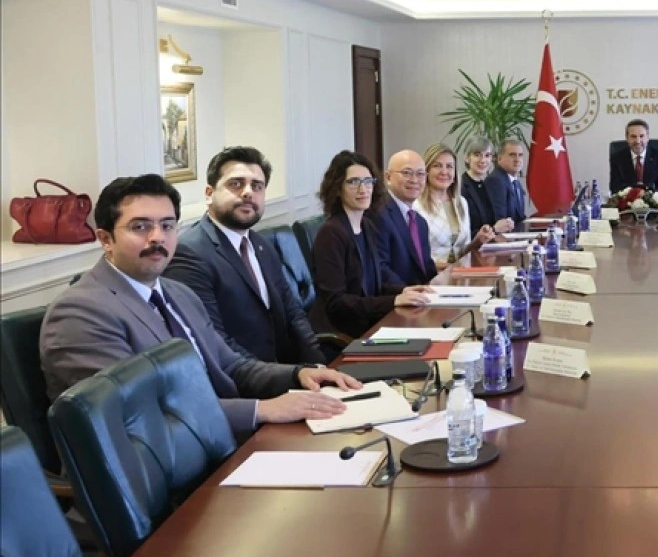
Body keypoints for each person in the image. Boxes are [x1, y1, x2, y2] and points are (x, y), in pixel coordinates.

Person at [40, 174, 358, 439]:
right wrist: (260, 410)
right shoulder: (79, 313)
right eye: (140, 227)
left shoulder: (178, 293)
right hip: (165, 472)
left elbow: (231, 366)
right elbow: (140, 412)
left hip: (220, 441)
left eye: (168, 225)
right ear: (106, 239)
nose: (157, 238)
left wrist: (298, 375)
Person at [165, 147, 327, 365]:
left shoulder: (261, 245)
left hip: (288, 371)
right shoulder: (189, 253)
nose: (248, 193)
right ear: (209, 194)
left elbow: (293, 313)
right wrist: (289, 376)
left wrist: (322, 366)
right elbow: (216, 344)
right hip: (242, 381)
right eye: (236, 184)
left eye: (257, 186)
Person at [310, 150, 432, 339]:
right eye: (353, 182)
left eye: (368, 181)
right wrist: (393, 301)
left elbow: (374, 283)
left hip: (370, 323)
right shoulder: (331, 233)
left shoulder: (366, 225)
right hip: (346, 334)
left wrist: (403, 291)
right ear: (337, 188)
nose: (363, 189)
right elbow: (337, 303)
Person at [416, 144, 497, 267]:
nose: (444, 172)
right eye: (437, 166)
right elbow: (415, 260)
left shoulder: (461, 203)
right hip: (432, 276)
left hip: (459, 274)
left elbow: (462, 252)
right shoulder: (416, 206)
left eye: (449, 166)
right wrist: (450, 268)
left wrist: (478, 240)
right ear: (426, 171)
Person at [376, 148, 439, 287]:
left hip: (423, 294)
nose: (414, 180)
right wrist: (407, 292)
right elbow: (380, 268)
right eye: (406, 173)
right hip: (397, 296)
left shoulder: (420, 222)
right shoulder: (378, 214)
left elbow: (427, 268)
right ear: (388, 177)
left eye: (420, 174)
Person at [459, 138, 511, 236]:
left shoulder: (487, 185)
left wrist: (505, 225)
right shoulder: (461, 187)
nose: (483, 160)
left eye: (487, 155)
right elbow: (463, 232)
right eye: (477, 155)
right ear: (467, 158)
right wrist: (494, 229)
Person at [608, 119, 658, 194]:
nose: (638, 141)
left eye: (641, 136)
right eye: (633, 136)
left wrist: (646, 195)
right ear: (627, 138)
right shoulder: (617, 158)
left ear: (647, 137)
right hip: (628, 200)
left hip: (653, 200)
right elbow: (615, 188)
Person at [483, 139, 529, 226]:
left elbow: (520, 217)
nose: (517, 159)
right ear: (499, 158)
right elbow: (500, 220)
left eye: (520, 155)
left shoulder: (515, 182)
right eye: (512, 155)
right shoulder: (495, 180)